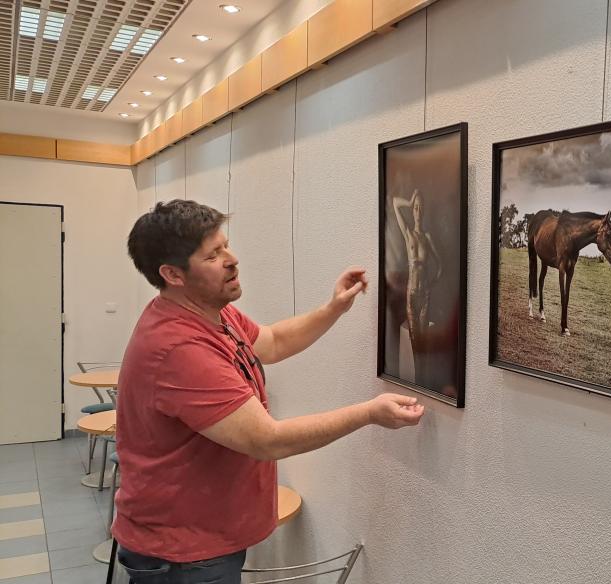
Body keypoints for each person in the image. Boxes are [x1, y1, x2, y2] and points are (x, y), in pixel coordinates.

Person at [114, 200, 425, 583]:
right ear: (172, 274)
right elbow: (268, 440)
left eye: (225, 245)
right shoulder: (178, 347)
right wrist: (370, 413)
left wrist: (333, 309)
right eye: (213, 255)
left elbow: (273, 341)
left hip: (207, 538)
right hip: (183, 554)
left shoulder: (212, 310)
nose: (232, 259)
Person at [392, 189, 442, 385]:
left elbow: (440, 266)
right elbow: (395, 202)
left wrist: (432, 282)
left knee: (423, 341)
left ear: (425, 212)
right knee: (414, 340)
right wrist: (410, 199)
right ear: (412, 210)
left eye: (421, 208)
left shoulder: (427, 237)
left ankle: (423, 381)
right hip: (412, 294)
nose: (418, 211)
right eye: (415, 207)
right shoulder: (408, 234)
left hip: (425, 294)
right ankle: (418, 383)